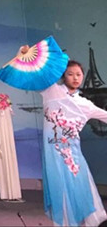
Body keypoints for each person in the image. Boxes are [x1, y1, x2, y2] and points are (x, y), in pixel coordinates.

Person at [38, 60, 107, 226]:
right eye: (70, 74)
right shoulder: (51, 91)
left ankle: (93, 220)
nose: (75, 78)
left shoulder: (85, 104)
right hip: (53, 153)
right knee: (59, 187)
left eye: (79, 74)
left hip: (72, 154)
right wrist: (24, 53)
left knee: (82, 184)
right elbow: (39, 74)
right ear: (63, 76)